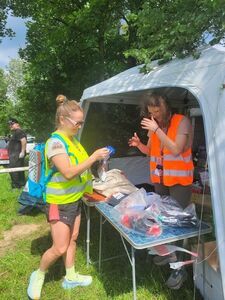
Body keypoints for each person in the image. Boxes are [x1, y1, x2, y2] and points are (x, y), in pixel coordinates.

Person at [27, 95, 109, 300]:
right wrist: (93, 157)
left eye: (82, 122)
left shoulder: (73, 141)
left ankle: (70, 276)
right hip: (59, 203)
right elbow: (69, 172)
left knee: (72, 239)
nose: (80, 126)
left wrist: (99, 163)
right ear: (63, 120)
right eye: (77, 122)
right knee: (60, 247)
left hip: (74, 200)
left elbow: (82, 170)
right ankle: (38, 275)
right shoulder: (55, 143)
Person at [128, 92, 194, 290]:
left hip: (179, 182)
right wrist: (139, 144)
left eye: (157, 110)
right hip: (160, 180)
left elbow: (175, 149)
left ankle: (180, 268)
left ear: (166, 106)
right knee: (162, 220)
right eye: (151, 112)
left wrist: (156, 129)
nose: (154, 115)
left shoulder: (182, 122)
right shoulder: (153, 125)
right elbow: (151, 151)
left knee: (179, 223)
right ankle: (169, 255)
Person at [8, 118, 27, 189]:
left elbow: (23, 140)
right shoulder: (16, 132)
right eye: (9, 125)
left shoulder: (19, 131)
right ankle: (21, 184)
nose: (10, 126)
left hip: (16, 155)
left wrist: (22, 152)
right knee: (19, 169)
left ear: (17, 124)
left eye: (12, 124)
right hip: (15, 155)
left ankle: (16, 186)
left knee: (13, 170)